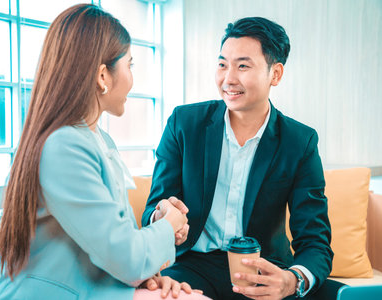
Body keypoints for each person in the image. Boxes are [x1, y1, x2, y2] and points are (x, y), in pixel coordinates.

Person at [0, 4, 210, 300]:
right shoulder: (64, 147)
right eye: (130, 65)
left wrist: (154, 268)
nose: (133, 79)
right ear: (103, 76)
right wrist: (169, 227)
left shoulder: (97, 139)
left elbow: (113, 242)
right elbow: (128, 259)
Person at [142, 17, 343, 299]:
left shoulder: (300, 142)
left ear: (275, 74)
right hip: (191, 267)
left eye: (243, 66)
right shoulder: (184, 124)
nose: (228, 78)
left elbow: (315, 240)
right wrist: (161, 217)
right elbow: (155, 205)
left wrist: (291, 280)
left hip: (262, 272)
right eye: (223, 64)